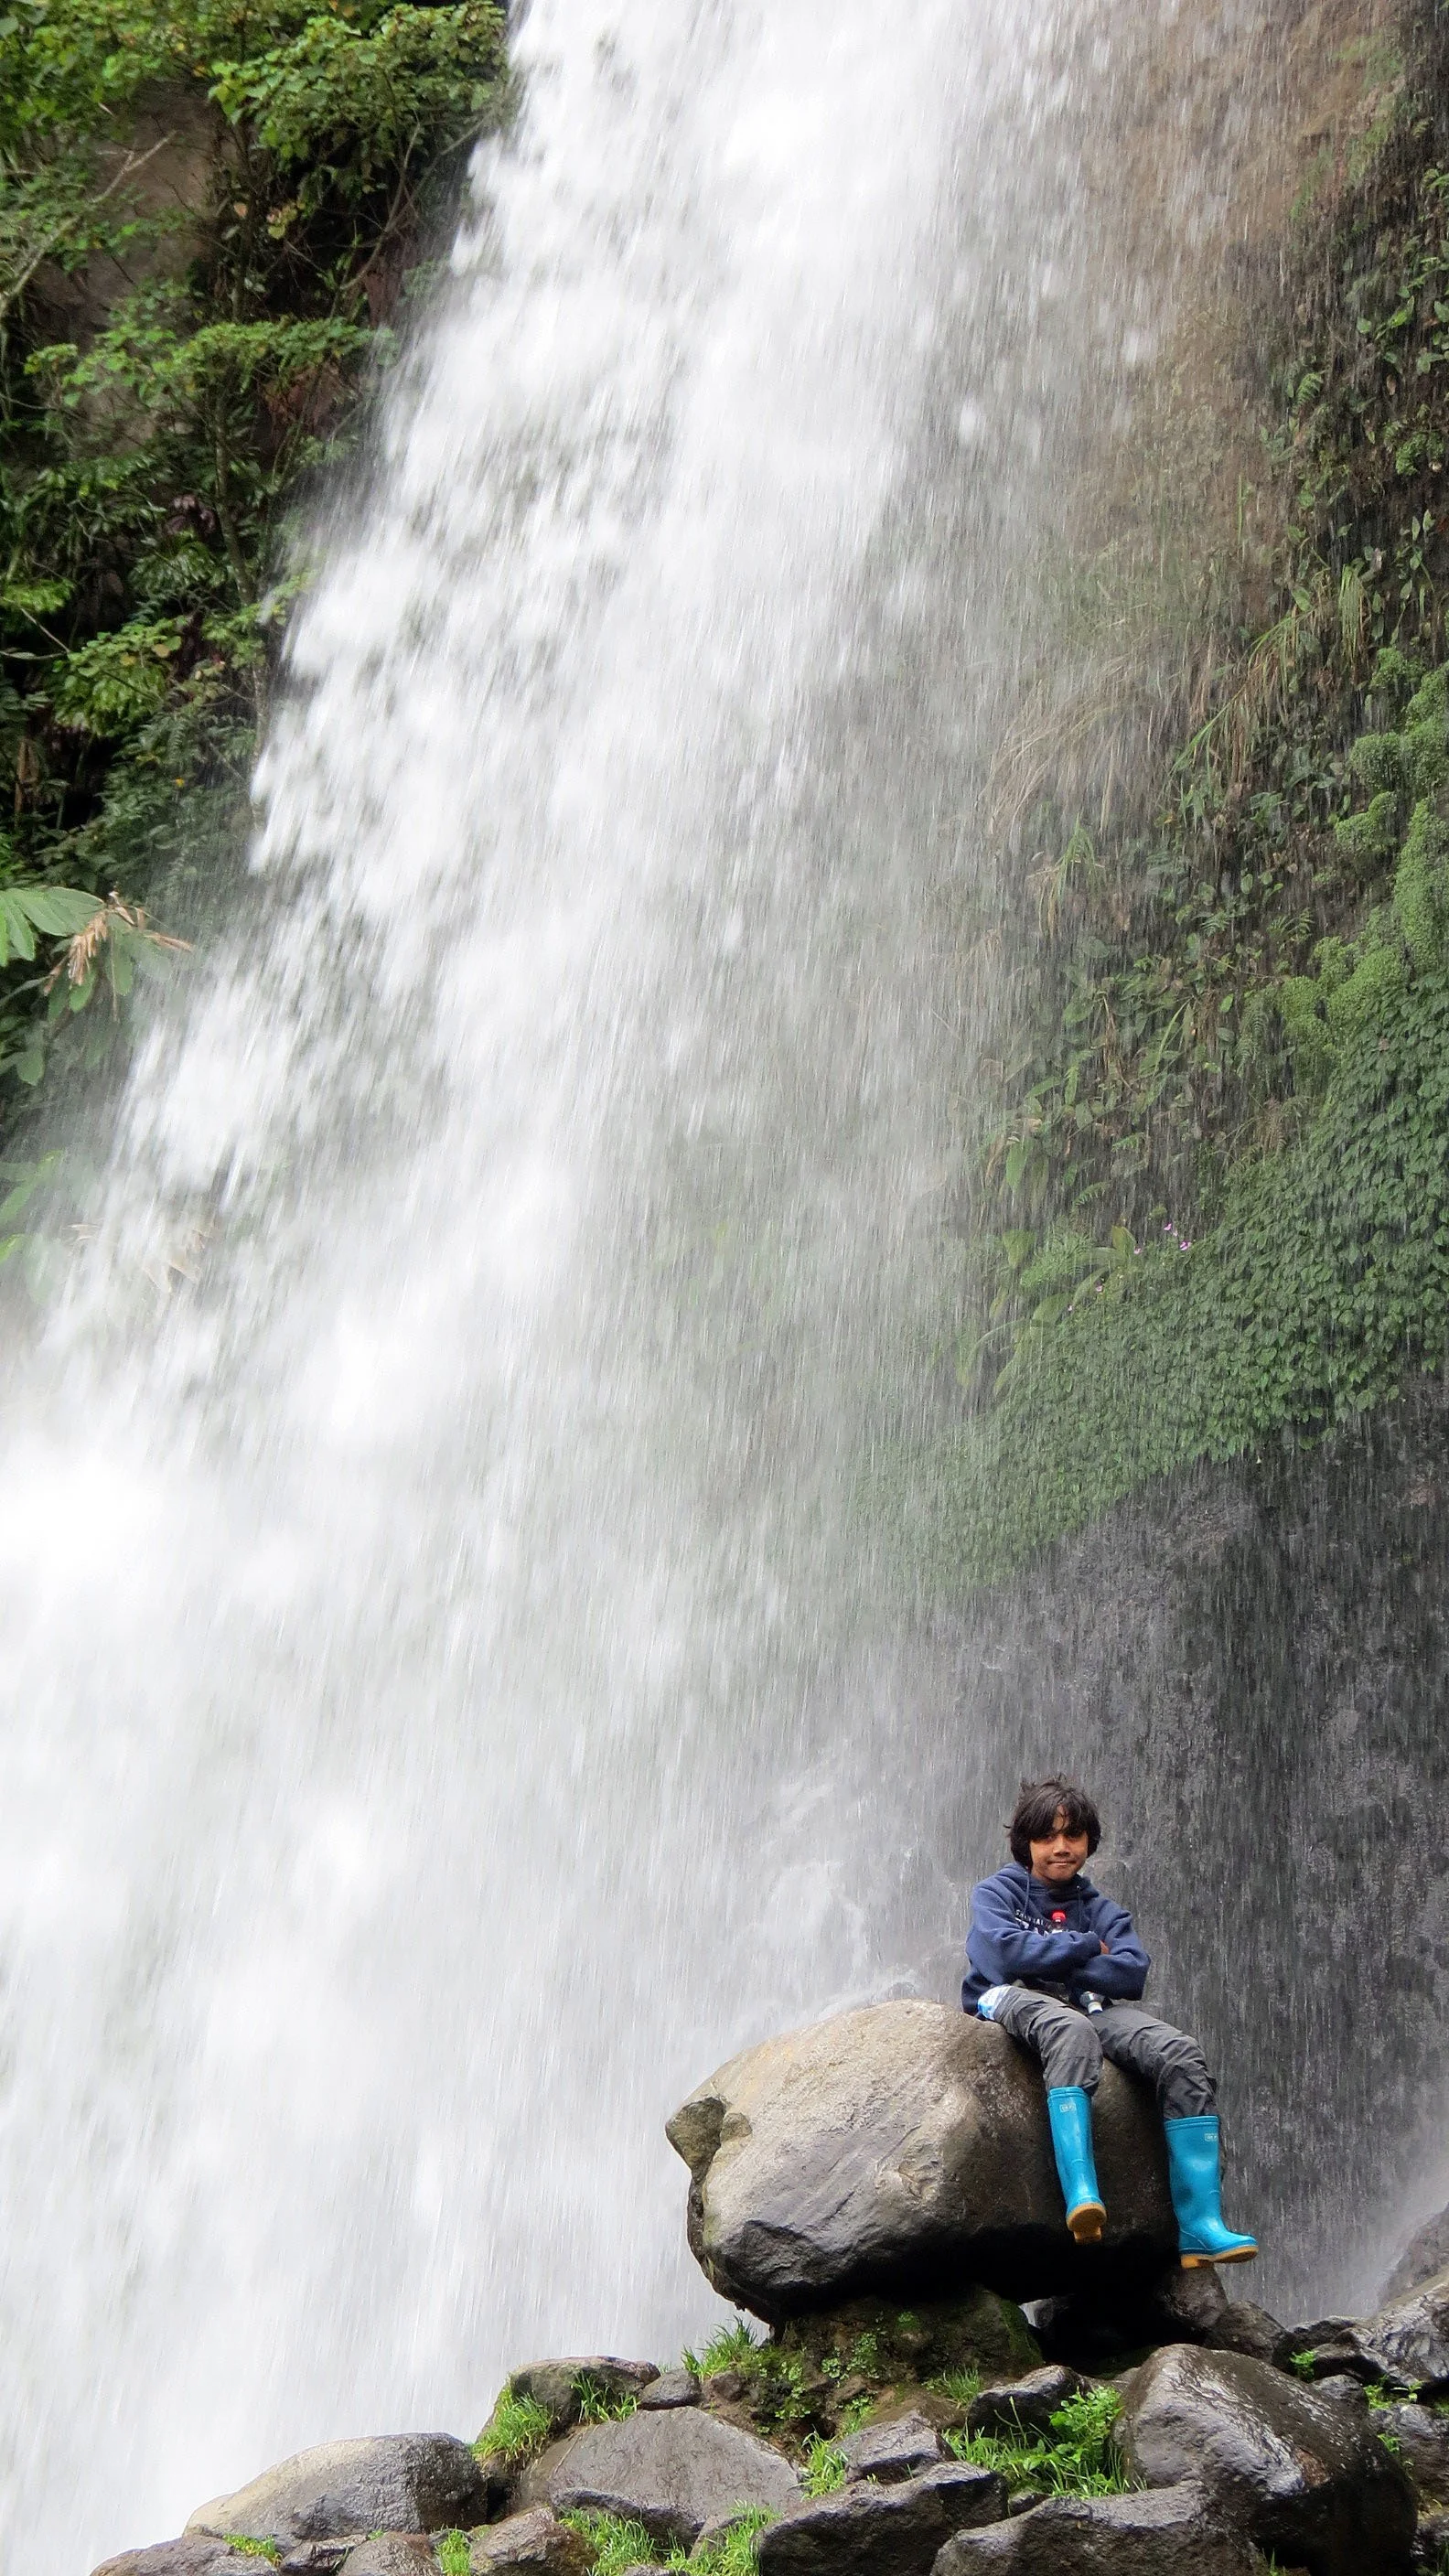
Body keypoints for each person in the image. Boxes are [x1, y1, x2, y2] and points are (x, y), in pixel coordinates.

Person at [962, 1775, 1256, 2266]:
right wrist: (1083, 1946)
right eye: (1047, 1836)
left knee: (1180, 2052)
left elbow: (1131, 1971)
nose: (1061, 1847)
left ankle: (1201, 2227)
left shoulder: (1101, 1909)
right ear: (1026, 1843)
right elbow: (1002, 1955)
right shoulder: (997, 1894)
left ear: (1089, 1842)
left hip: (1092, 2007)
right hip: (1006, 1998)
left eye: (1073, 1835)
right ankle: (1082, 2198)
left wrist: (1048, 1958)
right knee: (1069, 2029)